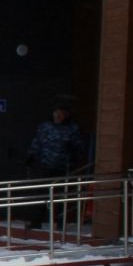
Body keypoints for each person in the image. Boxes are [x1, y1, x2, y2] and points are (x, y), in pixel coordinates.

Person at [23, 99, 89, 231]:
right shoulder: (45, 126)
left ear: (67, 115)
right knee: (41, 194)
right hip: (46, 165)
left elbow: (80, 147)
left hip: (64, 166)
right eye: (56, 113)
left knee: (60, 196)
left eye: (61, 113)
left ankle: (59, 223)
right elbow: (37, 141)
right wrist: (31, 155)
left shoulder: (72, 129)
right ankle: (36, 221)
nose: (58, 116)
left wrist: (75, 153)